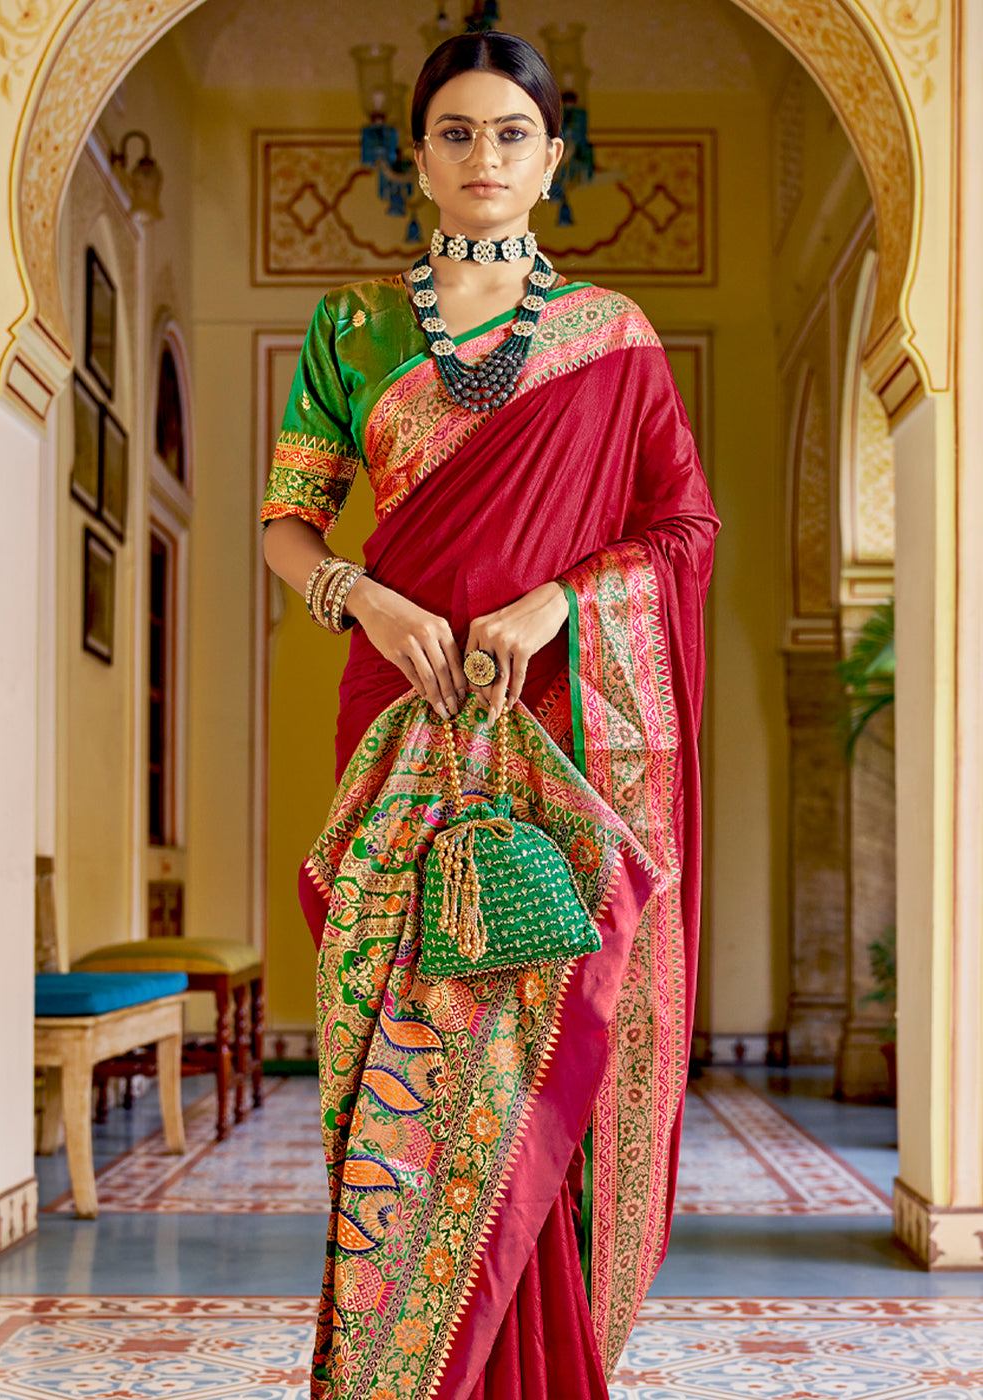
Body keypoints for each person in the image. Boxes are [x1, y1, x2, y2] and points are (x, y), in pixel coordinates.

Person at [262, 30, 719, 1400]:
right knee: (397, 1057)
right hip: (399, 724)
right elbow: (286, 523)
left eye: (511, 133)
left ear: (551, 158)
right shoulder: (353, 328)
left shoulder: (615, 338)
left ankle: (540, 1368)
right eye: (455, 132)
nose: (483, 156)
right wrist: (361, 596)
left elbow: (683, 528)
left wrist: (558, 604)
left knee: (542, 1032)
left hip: (559, 731)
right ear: (417, 158)